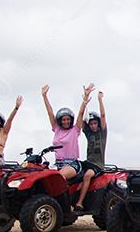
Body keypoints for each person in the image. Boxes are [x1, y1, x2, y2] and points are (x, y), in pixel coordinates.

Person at [42, 83, 98, 211]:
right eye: (63, 120)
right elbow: (49, 112)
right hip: (58, 164)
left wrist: (85, 98)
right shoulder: (56, 129)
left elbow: (80, 113)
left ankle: (64, 206)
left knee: (58, 178)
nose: (66, 121)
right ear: (60, 120)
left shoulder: (75, 130)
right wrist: (44, 96)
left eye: (68, 119)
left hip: (72, 164)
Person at [84, 90, 107, 170]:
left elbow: (103, 116)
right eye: (91, 124)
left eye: (95, 123)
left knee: (87, 175)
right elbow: (81, 119)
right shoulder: (88, 133)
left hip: (98, 165)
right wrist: (84, 102)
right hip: (88, 162)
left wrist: (100, 100)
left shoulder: (102, 132)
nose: (93, 126)